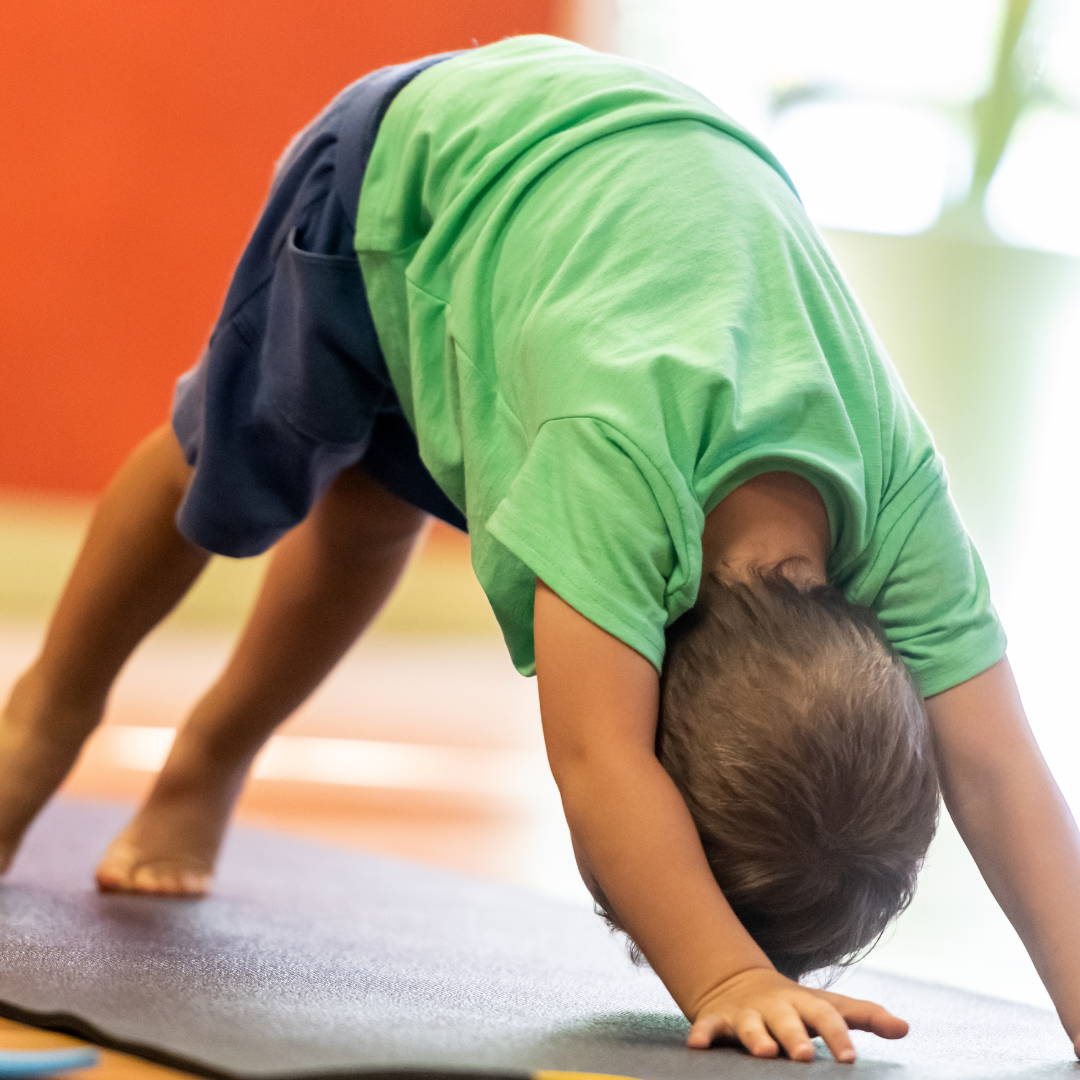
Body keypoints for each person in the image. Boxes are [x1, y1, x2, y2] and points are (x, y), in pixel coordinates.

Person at [3, 34, 1080, 1066]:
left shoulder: (897, 501)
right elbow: (598, 763)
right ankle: (47, 707)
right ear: (651, 660)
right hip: (408, 172)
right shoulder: (608, 479)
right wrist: (720, 978)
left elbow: (995, 766)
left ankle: (208, 759)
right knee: (226, 470)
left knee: (376, 510)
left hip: (605, 209)